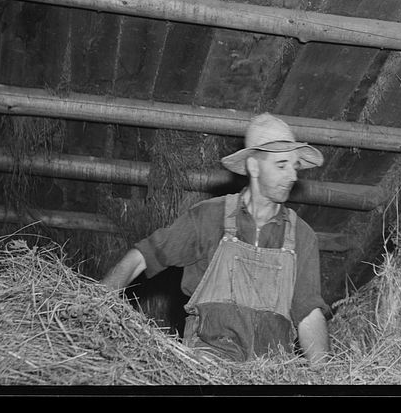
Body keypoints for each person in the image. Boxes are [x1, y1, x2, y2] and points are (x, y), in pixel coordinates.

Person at [101, 113, 330, 363]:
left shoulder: (302, 235)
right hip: (208, 366)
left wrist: (327, 374)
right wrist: (95, 303)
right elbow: (143, 256)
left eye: (295, 167)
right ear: (254, 166)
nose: (293, 176)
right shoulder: (210, 216)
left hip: (270, 372)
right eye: (282, 165)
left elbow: (308, 314)